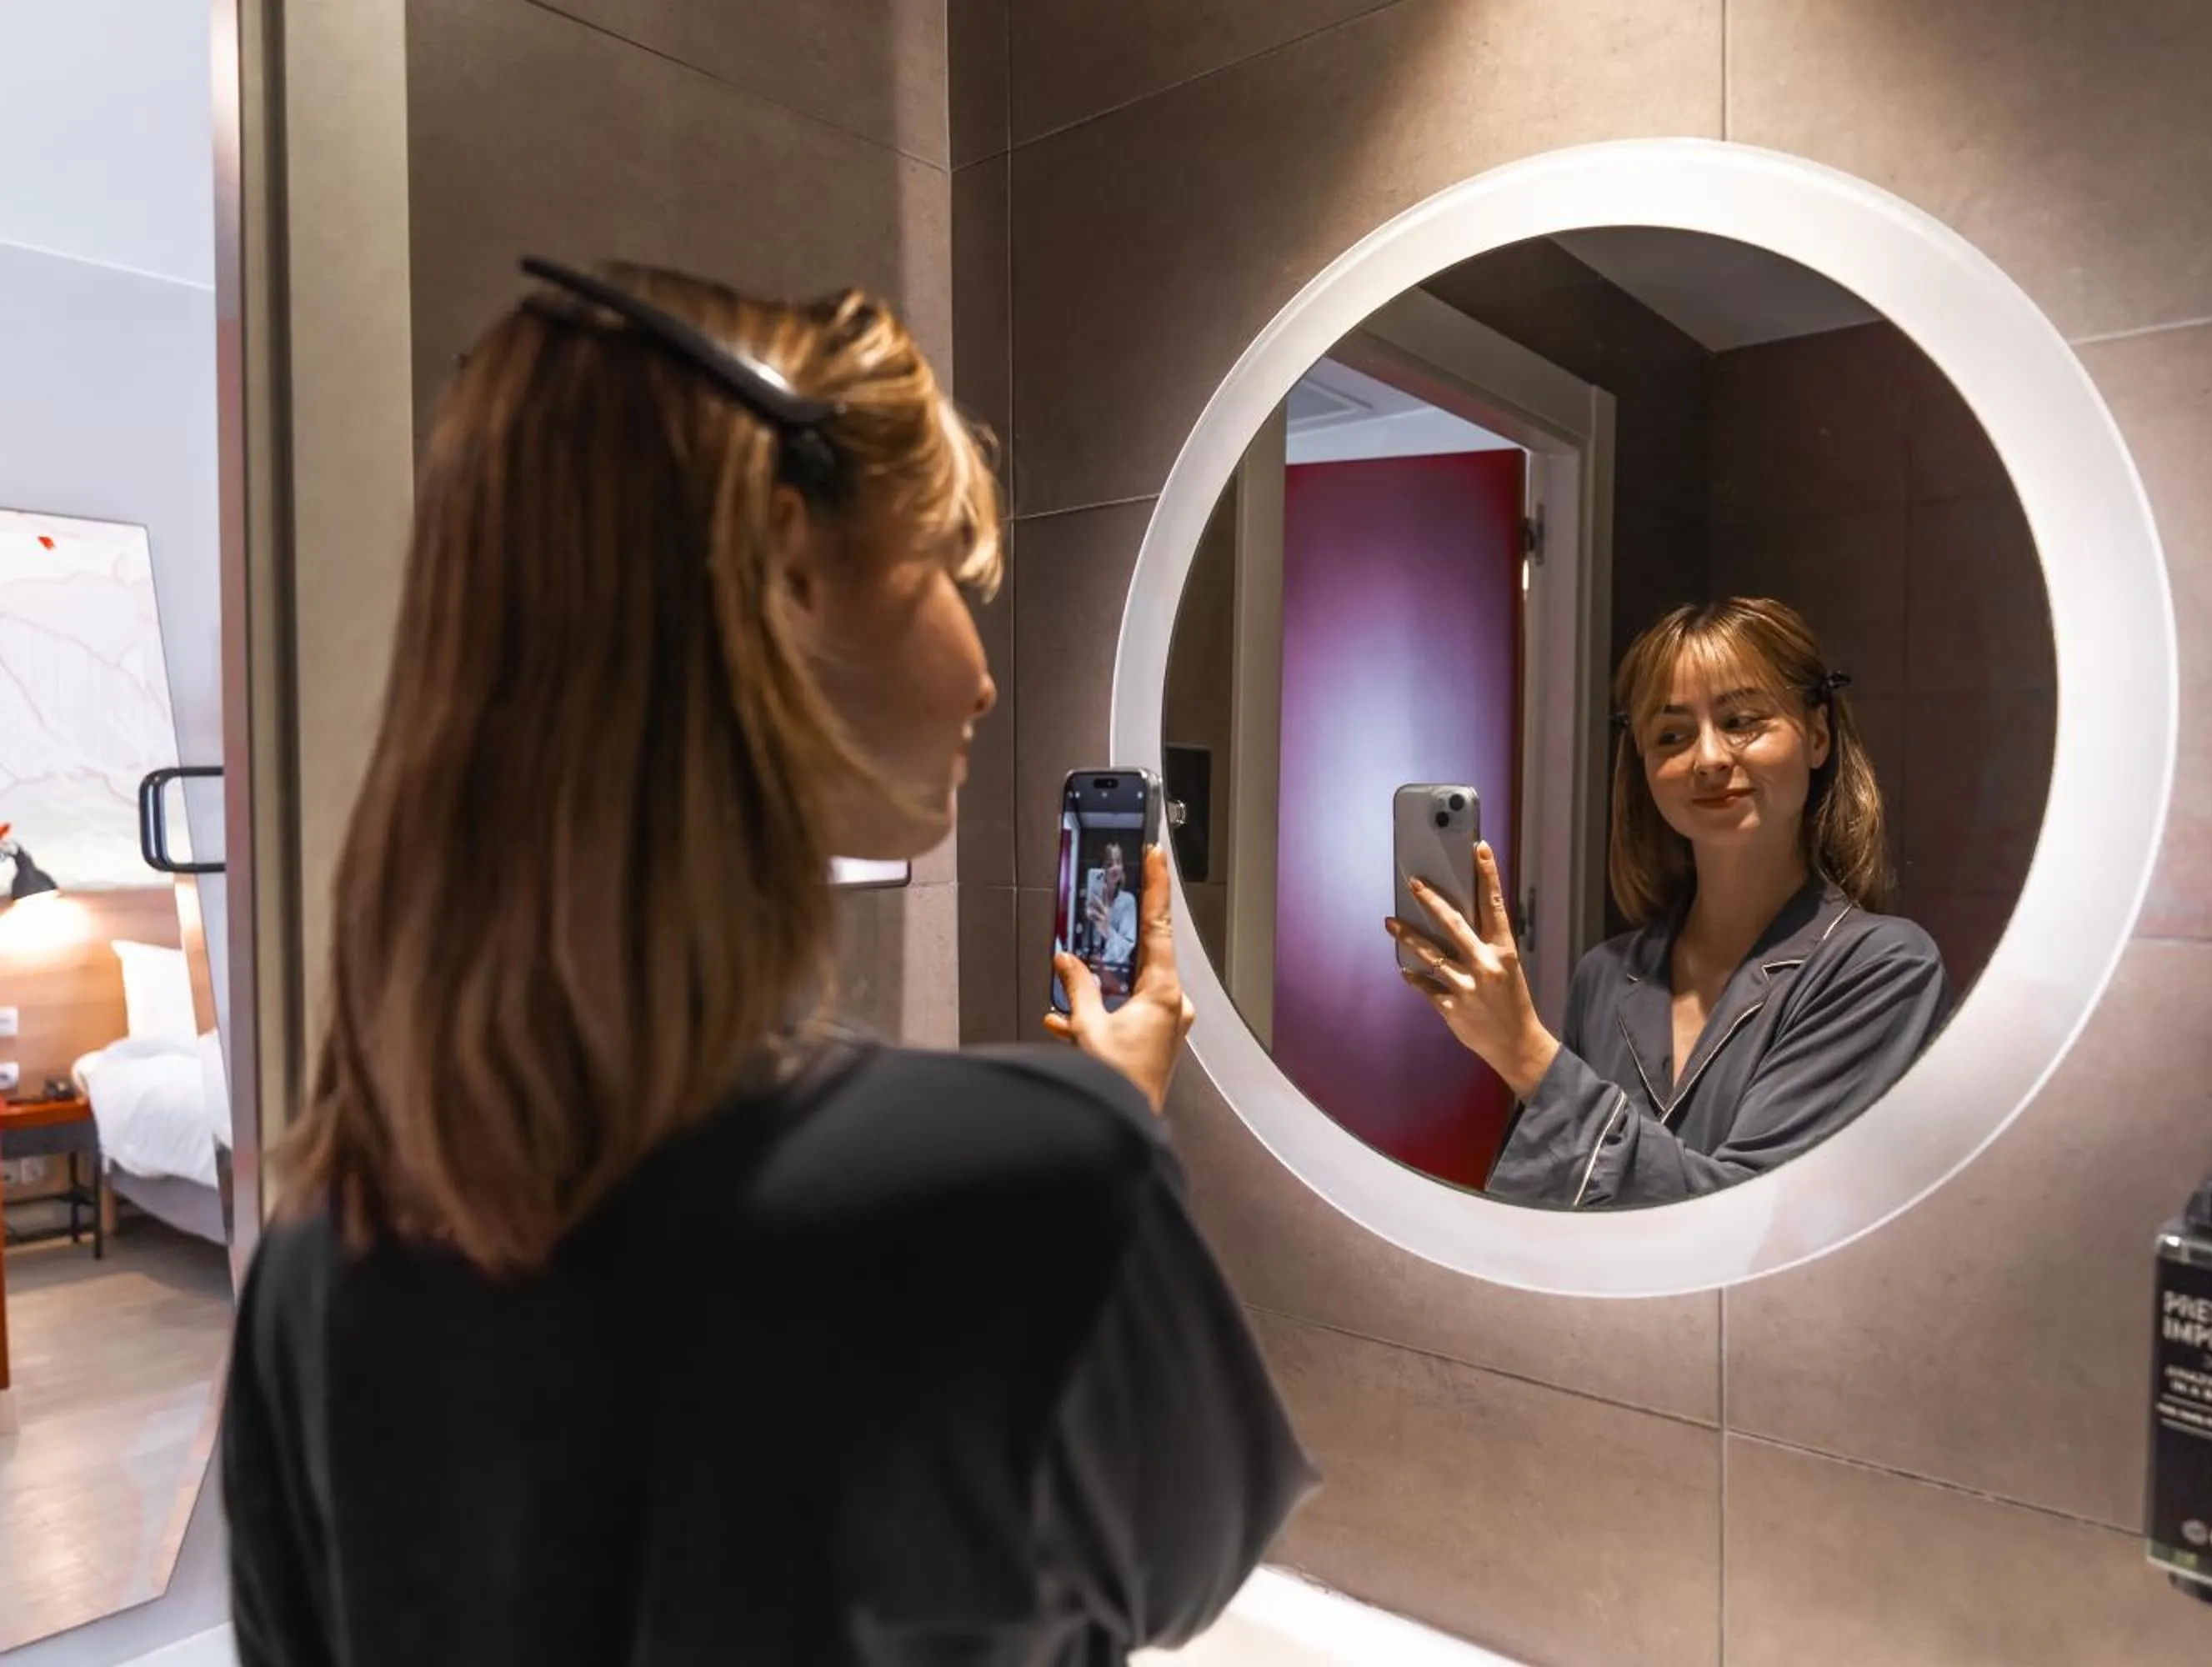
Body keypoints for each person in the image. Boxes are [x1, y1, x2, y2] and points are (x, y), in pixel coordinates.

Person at [222, 259, 1314, 1665]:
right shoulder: (1041, 1184)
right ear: (791, 570)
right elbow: (1174, 1581)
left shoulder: (318, 1259)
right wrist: (1119, 1115)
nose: (982, 673)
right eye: (937, 571)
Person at [1384, 597, 1947, 1208]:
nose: (1708, 759)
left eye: (1742, 721)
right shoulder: (1604, 977)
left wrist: (1524, 1052)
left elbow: (1749, 1222)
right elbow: (1542, 1219)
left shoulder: (1884, 967)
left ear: (1816, 734)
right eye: (1672, 734)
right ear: (1646, 765)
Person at [1087, 839, 1139, 975]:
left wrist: (1106, 930)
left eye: (1118, 862)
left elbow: (1127, 946)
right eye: (1109, 864)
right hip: (1092, 969)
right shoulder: (1093, 899)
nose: (1115, 868)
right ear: (1101, 868)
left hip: (1117, 974)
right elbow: (1086, 939)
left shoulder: (1128, 901)